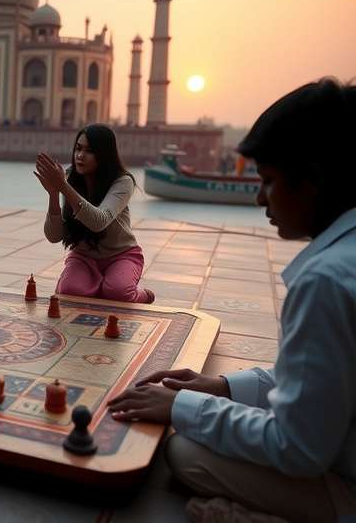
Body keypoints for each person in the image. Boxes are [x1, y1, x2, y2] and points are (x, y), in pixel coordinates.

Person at [108, 79, 356, 522]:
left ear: (314, 180)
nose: (259, 197)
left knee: (185, 452)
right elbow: (319, 378)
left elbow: (298, 447)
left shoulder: (325, 280)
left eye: (269, 181)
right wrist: (224, 388)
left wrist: (182, 406)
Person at [34, 124, 154, 303]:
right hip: (84, 256)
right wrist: (53, 193)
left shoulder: (122, 181)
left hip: (121, 255)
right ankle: (97, 286)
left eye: (89, 151)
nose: (80, 156)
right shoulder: (69, 177)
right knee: (69, 291)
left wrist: (64, 187)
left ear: (104, 155)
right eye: (78, 148)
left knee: (118, 293)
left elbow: (99, 221)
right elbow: (54, 236)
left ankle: (144, 295)